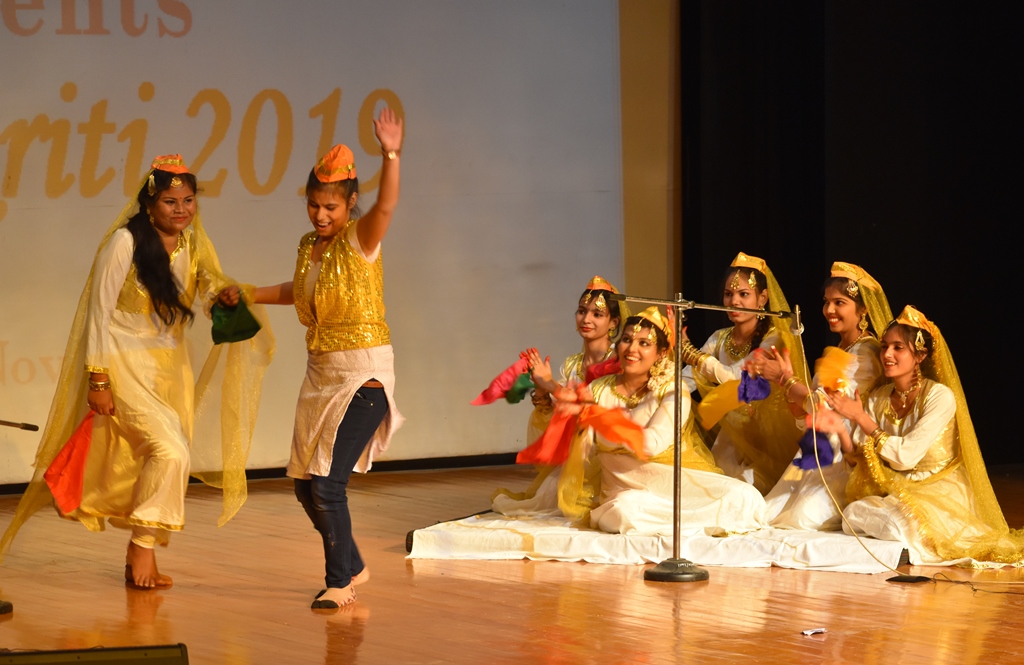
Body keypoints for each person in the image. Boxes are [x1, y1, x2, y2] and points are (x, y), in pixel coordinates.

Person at [0, 155, 273, 589]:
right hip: (123, 363)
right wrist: (99, 378)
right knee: (172, 452)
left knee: (165, 456)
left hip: (171, 369)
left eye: (188, 200)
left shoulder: (191, 243)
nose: (181, 209)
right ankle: (141, 547)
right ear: (150, 203)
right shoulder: (124, 244)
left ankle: (138, 548)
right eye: (170, 201)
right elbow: (98, 313)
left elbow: (203, 288)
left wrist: (220, 295)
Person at [252, 108, 405, 609]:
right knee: (303, 486)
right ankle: (353, 562)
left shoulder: (359, 241)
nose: (321, 216)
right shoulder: (307, 248)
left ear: (349, 204)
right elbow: (298, 293)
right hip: (320, 375)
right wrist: (247, 292)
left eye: (331, 208)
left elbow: (385, 207)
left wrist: (391, 154)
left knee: (327, 484)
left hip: (362, 378)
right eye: (314, 206)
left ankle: (340, 582)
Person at [822, 306, 1024, 564]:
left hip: (939, 489)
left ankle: (911, 545)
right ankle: (907, 544)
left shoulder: (940, 397)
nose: (887, 354)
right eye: (884, 346)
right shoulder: (879, 397)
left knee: (895, 521)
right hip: (897, 491)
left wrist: (861, 418)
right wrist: (841, 426)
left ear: (920, 355)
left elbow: (906, 456)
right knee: (852, 515)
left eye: (898, 348)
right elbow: (863, 459)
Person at [571, 307, 762, 536]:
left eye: (644, 343)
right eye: (627, 340)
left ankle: (677, 523)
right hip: (625, 493)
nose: (632, 349)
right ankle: (686, 523)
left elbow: (652, 445)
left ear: (661, 353)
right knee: (623, 512)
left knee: (744, 497)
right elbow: (586, 447)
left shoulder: (674, 390)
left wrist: (604, 421)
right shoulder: (598, 389)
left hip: (667, 484)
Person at [757, 262, 891, 530]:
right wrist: (795, 404)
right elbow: (811, 412)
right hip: (816, 449)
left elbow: (824, 404)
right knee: (766, 514)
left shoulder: (866, 353)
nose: (829, 310)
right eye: (827, 302)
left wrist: (786, 379)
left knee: (801, 519)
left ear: (863, 309)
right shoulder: (840, 348)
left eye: (839, 302)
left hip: (845, 457)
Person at [491, 276, 626, 514]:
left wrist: (551, 385)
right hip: (580, 452)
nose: (586, 319)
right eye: (582, 311)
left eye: (597, 314)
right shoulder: (572, 364)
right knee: (545, 500)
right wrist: (542, 390)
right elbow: (559, 416)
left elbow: (595, 405)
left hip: (612, 448)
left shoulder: (620, 361)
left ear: (613, 322)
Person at [677, 252, 805, 493]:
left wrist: (691, 353)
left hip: (768, 437)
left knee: (744, 491)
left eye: (743, 294)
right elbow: (688, 379)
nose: (734, 301)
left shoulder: (774, 339)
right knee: (710, 487)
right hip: (733, 433)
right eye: (728, 294)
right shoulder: (719, 338)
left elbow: (734, 377)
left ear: (763, 298)